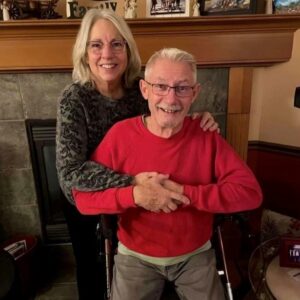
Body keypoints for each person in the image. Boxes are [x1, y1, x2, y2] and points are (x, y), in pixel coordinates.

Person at [73, 47, 263, 300]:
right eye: (160, 86)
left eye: (182, 88)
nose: (171, 99)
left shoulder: (206, 135)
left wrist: (186, 193)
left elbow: (250, 194)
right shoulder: (120, 136)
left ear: (195, 93)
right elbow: (82, 199)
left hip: (195, 255)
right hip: (135, 258)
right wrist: (135, 196)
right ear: (145, 90)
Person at [56, 9, 219, 300]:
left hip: (141, 192)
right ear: (85, 52)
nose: (107, 53)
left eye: (117, 43)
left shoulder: (139, 89)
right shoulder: (74, 98)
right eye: (97, 45)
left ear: (128, 50)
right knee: (91, 269)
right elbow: (71, 172)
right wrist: (131, 183)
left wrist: (196, 118)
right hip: (90, 196)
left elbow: (165, 119)